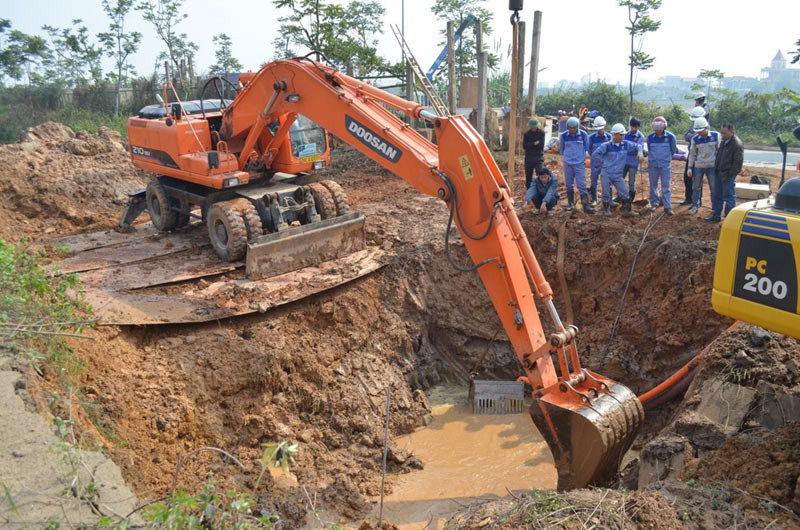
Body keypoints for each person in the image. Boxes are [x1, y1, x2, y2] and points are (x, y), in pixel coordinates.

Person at [591, 123, 643, 216]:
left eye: (623, 135)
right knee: (606, 192)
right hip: (607, 173)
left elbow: (638, 146)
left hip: (618, 174)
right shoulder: (607, 146)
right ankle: (607, 210)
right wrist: (601, 161)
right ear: (614, 134)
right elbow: (595, 154)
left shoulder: (626, 144)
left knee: (624, 192)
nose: (622, 137)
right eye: (620, 134)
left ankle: (627, 210)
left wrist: (640, 152)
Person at [558, 116, 594, 213]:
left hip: (579, 164)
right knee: (569, 184)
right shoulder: (563, 136)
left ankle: (585, 205)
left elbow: (586, 147)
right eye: (570, 128)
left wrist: (583, 157)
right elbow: (561, 149)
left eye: (574, 128)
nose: (572, 130)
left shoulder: (583, 135)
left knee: (581, 184)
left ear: (577, 127)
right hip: (568, 163)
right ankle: (570, 204)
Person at [709, 124, 743, 222]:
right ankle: (716, 216)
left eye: (725, 133)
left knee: (729, 197)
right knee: (717, 195)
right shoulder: (724, 142)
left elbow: (737, 164)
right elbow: (719, 156)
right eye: (722, 133)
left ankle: (729, 219)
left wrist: (729, 174)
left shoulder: (736, 145)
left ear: (732, 132)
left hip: (727, 175)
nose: (722, 135)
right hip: (719, 172)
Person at [687, 117, 721, 216]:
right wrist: (690, 167)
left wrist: (719, 166)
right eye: (698, 131)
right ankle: (695, 205)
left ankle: (715, 208)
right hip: (699, 166)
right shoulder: (695, 139)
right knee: (696, 187)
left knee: (714, 188)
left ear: (707, 128)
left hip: (712, 166)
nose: (700, 133)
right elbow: (692, 154)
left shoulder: (716, 136)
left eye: (701, 131)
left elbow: (719, 152)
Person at [646, 116, 678, 215]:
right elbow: (649, 149)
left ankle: (667, 206)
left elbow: (673, 150)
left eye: (660, 129)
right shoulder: (650, 137)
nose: (658, 131)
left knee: (666, 186)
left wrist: (666, 159)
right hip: (653, 164)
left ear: (664, 127)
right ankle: (654, 203)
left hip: (665, 165)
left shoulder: (671, 137)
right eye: (656, 129)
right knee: (653, 185)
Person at [681, 106, 708, 206]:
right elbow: (687, 136)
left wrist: (693, 136)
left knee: (698, 179)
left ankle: (697, 201)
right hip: (691, 154)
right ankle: (689, 198)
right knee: (687, 177)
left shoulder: (705, 126)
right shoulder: (692, 126)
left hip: (701, 156)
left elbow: (696, 137)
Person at [587, 116, 610, 206]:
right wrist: (597, 159)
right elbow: (590, 150)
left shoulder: (609, 137)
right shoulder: (591, 138)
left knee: (606, 182)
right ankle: (594, 199)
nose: (599, 131)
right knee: (593, 182)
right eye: (598, 129)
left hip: (605, 164)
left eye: (601, 129)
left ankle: (607, 200)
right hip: (595, 164)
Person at [622, 118, 645, 201]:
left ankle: (631, 197)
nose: (633, 129)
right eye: (632, 127)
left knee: (632, 180)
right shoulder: (626, 134)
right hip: (624, 161)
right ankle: (621, 195)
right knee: (620, 179)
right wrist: (634, 148)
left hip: (634, 162)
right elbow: (623, 145)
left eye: (635, 127)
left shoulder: (640, 136)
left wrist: (636, 149)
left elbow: (639, 147)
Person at [523, 118, 546, 190]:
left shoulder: (541, 133)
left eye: (535, 127)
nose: (533, 129)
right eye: (532, 127)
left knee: (540, 174)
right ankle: (529, 191)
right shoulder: (527, 134)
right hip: (529, 157)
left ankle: (540, 190)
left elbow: (541, 145)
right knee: (528, 176)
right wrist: (534, 143)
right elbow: (525, 146)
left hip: (539, 156)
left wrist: (530, 144)